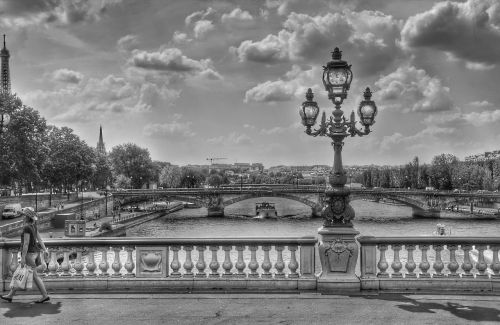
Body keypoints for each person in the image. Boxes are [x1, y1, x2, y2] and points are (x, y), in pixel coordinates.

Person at [1, 207, 50, 303]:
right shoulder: (34, 225)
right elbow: (39, 239)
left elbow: (26, 244)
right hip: (36, 253)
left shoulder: (27, 227)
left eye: (24, 215)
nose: (22, 217)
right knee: (22, 273)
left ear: (27, 217)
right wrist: (45, 250)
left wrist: (23, 258)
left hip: (29, 254)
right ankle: (10, 295)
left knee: (29, 275)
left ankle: (44, 295)